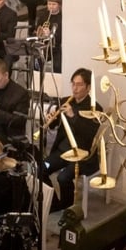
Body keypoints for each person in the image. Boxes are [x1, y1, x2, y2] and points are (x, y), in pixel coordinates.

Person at [41, 68, 102, 211]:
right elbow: (56, 126)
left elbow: (89, 134)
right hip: (63, 150)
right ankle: (54, 203)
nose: (75, 88)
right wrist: (51, 120)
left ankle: (66, 206)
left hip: (83, 154)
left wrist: (72, 116)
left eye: (79, 85)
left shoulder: (95, 108)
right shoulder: (65, 101)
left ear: (88, 87)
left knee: (63, 178)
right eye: (73, 84)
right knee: (41, 169)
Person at [35, 0, 62, 73]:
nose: (51, 6)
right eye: (49, 4)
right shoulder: (43, 15)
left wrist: (50, 34)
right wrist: (41, 33)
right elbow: (37, 30)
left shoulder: (62, 17)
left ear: (59, 5)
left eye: (54, 4)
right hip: (44, 46)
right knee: (35, 63)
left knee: (58, 65)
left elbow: (61, 36)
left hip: (56, 47)